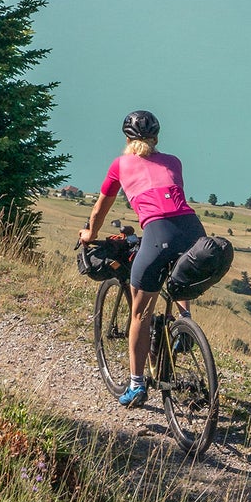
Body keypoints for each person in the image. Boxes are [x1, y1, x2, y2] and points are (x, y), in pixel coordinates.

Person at [79, 109, 205, 408]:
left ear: (126, 138)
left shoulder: (120, 165)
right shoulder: (174, 161)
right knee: (178, 278)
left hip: (157, 232)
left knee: (140, 314)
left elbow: (100, 210)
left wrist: (89, 234)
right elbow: (171, 200)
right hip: (193, 229)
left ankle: (136, 385)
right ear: (156, 137)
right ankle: (184, 324)